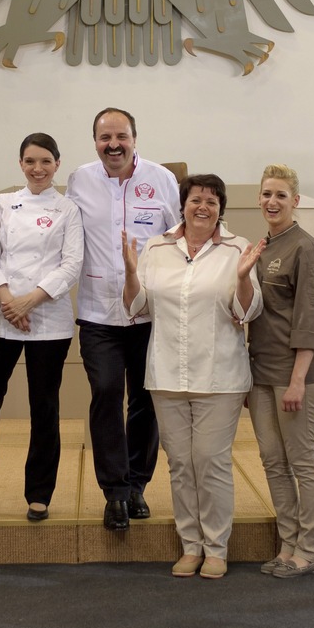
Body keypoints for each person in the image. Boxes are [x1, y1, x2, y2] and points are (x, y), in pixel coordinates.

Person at [123, 174, 264, 579]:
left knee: (211, 462)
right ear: (182, 204)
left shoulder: (238, 248)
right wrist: (132, 272)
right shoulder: (156, 247)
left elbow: (246, 312)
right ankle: (191, 546)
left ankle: (216, 547)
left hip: (219, 376)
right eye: (195, 199)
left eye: (212, 201)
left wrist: (240, 277)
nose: (203, 207)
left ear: (222, 208)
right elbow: (137, 308)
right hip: (166, 374)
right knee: (181, 464)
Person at [0, 133, 83, 521]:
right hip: (2, 317)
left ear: (57, 164)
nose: (38, 168)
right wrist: (10, 300)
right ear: (21, 164)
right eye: (30, 161)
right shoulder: (3, 203)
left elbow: (72, 264)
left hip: (49, 322)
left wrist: (31, 300)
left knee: (44, 406)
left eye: (45, 161)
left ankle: (39, 493)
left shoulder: (68, 209)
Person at [65, 107, 180, 530]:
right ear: (95, 141)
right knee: (107, 395)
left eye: (121, 136)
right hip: (98, 313)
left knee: (146, 400)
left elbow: (179, 236)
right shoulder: (79, 179)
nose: (113, 144)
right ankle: (113, 491)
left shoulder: (162, 179)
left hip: (150, 314)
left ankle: (137, 485)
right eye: (104, 137)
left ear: (135, 138)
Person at [246, 164, 314, 579]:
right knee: (272, 462)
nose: (272, 202)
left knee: (302, 461)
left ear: (295, 201)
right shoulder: (263, 246)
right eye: (266, 194)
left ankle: (311, 549)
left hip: (294, 376)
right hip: (260, 374)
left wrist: (297, 379)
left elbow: (309, 319)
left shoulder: (304, 248)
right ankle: (288, 542)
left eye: (280, 195)